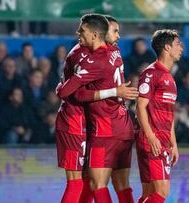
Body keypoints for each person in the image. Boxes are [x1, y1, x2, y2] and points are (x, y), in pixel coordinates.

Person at [55, 14, 137, 203]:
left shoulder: (93, 59)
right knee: (117, 184)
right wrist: (115, 91)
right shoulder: (113, 52)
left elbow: (71, 93)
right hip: (115, 125)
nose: (117, 36)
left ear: (95, 33)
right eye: (115, 31)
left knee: (92, 183)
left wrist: (60, 86)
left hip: (101, 128)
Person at [136, 29, 183, 203]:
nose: (181, 48)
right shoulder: (151, 73)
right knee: (161, 192)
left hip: (161, 139)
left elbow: (168, 115)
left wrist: (174, 143)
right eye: (178, 44)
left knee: (149, 193)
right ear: (167, 48)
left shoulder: (169, 77)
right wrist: (151, 136)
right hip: (152, 140)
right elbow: (140, 107)